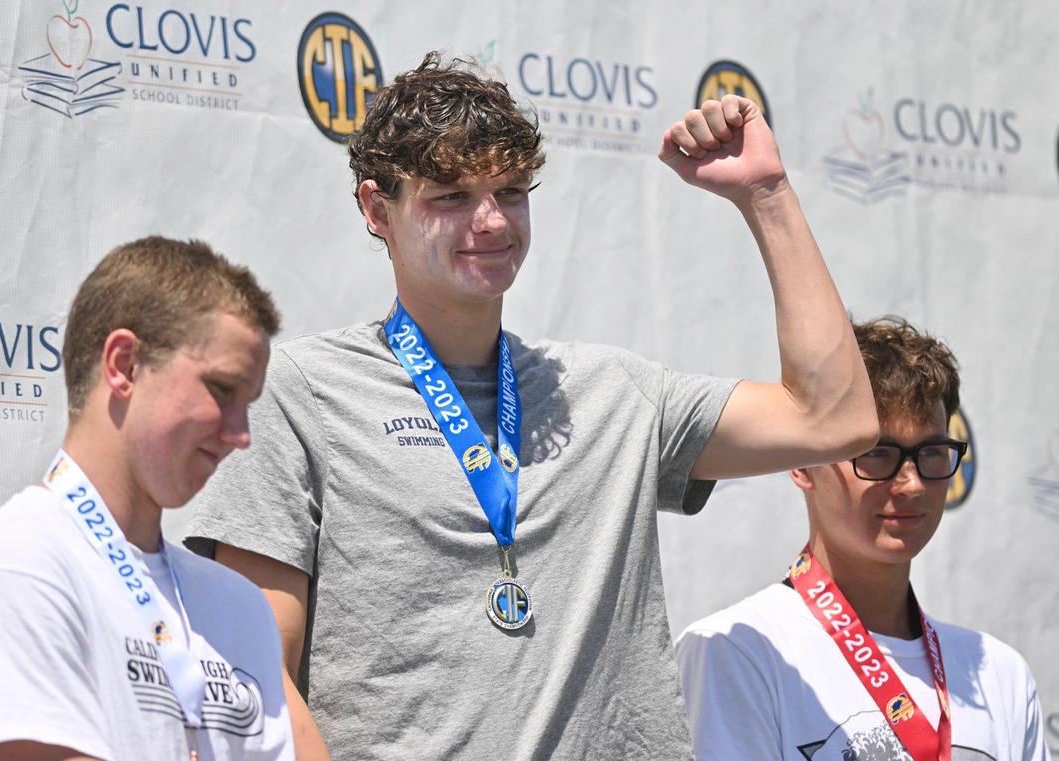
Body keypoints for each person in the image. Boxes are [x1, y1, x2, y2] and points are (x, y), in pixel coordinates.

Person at [186, 53, 878, 759]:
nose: (491, 221)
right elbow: (256, 675)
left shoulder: (614, 393)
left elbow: (834, 419)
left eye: (512, 191)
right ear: (376, 209)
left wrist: (766, 194)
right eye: (450, 196)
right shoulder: (301, 392)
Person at [0, 237, 301, 760]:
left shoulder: (238, 605)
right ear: (124, 365)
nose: (241, 434)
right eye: (221, 391)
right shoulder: (14, 566)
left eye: (249, 403)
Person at [676, 316, 1050, 761]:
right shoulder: (736, 653)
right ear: (800, 462)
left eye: (930, 453)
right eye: (875, 454)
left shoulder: (1000, 672)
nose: (911, 484)